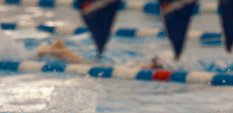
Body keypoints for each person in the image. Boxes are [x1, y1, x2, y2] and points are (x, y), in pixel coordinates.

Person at [36, 39, 166, 69]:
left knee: (76, 59)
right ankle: (56, 49)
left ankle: (59, 47)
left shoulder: (140, 66)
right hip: (102, 65)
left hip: (105, 64)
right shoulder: (141, 67)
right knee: (77, 61)